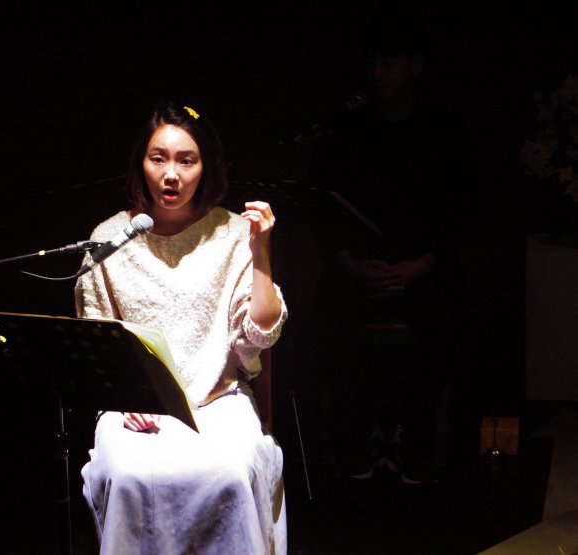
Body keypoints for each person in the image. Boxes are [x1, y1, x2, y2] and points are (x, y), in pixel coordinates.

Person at [74, 101, 288, 554]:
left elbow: (262, 333)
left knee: (231, 473)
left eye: (186, 161)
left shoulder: (232, 232)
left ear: (205, 166)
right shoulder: (109, 237)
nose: (171, 174)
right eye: (159, 158)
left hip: (217, 400)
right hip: (134, 405)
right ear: (142, 163)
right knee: (129, 477)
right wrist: (125, 397)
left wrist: (262, 251)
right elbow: (96, 341)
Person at [309, 10, 474, 485]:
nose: (379, 74)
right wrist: (355, 266)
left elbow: (460, 216)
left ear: (415, 66)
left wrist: (416, 267)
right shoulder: (347, 132)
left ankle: (416, 439)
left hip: (423, 270)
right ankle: (355, 440)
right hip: (359, 269)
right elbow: (325, 214)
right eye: (373, 64)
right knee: (326, 319)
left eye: (390, 63)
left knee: (446, 324)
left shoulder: (443, 131)